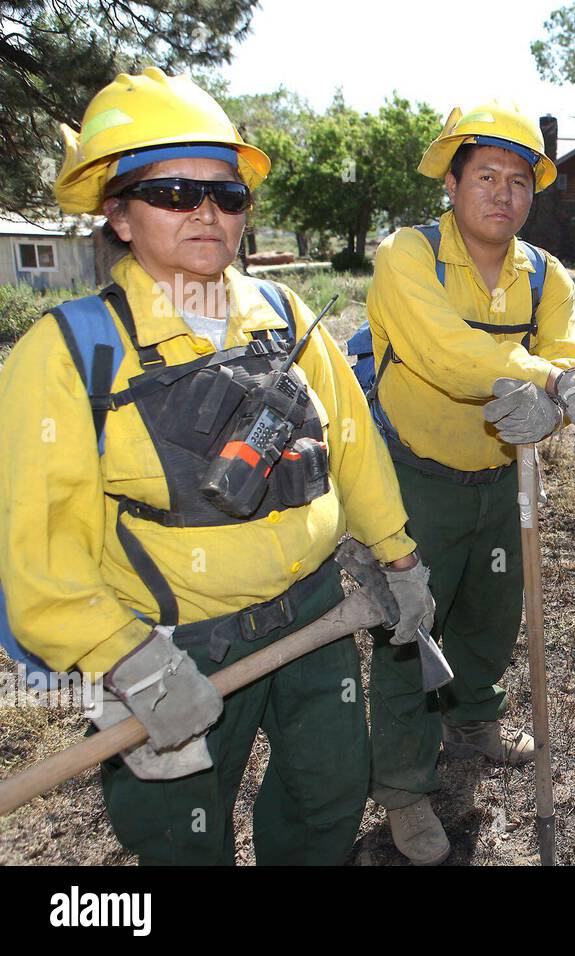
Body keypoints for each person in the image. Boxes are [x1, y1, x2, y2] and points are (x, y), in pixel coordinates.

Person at [0, 68, 435, 864]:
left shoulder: (283, 314)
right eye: (172, 192)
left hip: (313, 619)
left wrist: (400, 556)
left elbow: (352, 444)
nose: (206, 212)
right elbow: (37, 555)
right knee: (181, 835)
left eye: (227, 196)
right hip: (169, 648)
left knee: (330, 792)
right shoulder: (69, 354)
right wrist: (125, 659)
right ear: (118, 215)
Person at [362, 101, 575, 865]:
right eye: (485, 177)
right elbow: (444, 353)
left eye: (518, 182)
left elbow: (566, 358)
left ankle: (473, 721)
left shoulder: (545, 276)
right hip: (414, 477)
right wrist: (545, 380)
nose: (503, 195)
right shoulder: (407, 256)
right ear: (451, 180)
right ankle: (406, 790)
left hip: (506, 478)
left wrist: (556, 404)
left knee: (492, 609)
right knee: (410, 632)